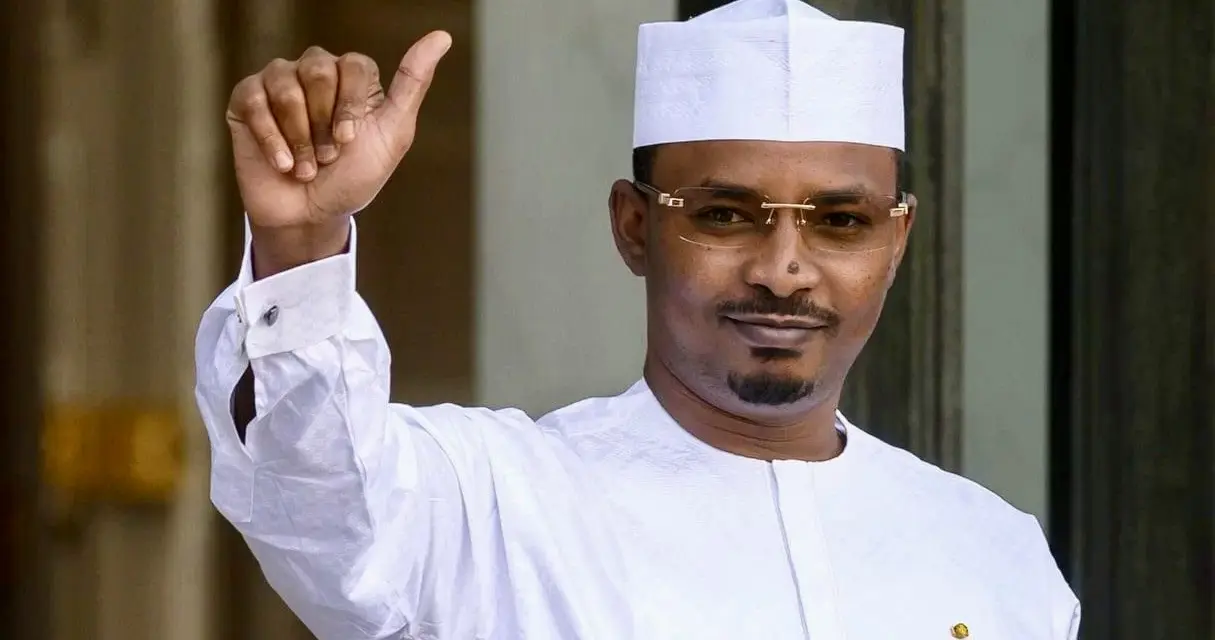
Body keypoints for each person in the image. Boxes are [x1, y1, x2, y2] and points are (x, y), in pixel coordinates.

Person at [196, 0, 1080, 638]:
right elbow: (315, 486)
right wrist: (302, 241)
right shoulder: (491, 510)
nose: (783, 270)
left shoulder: (991, 553)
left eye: (840, 222)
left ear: (896, 241)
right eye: (724, 215)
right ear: (634, 227)